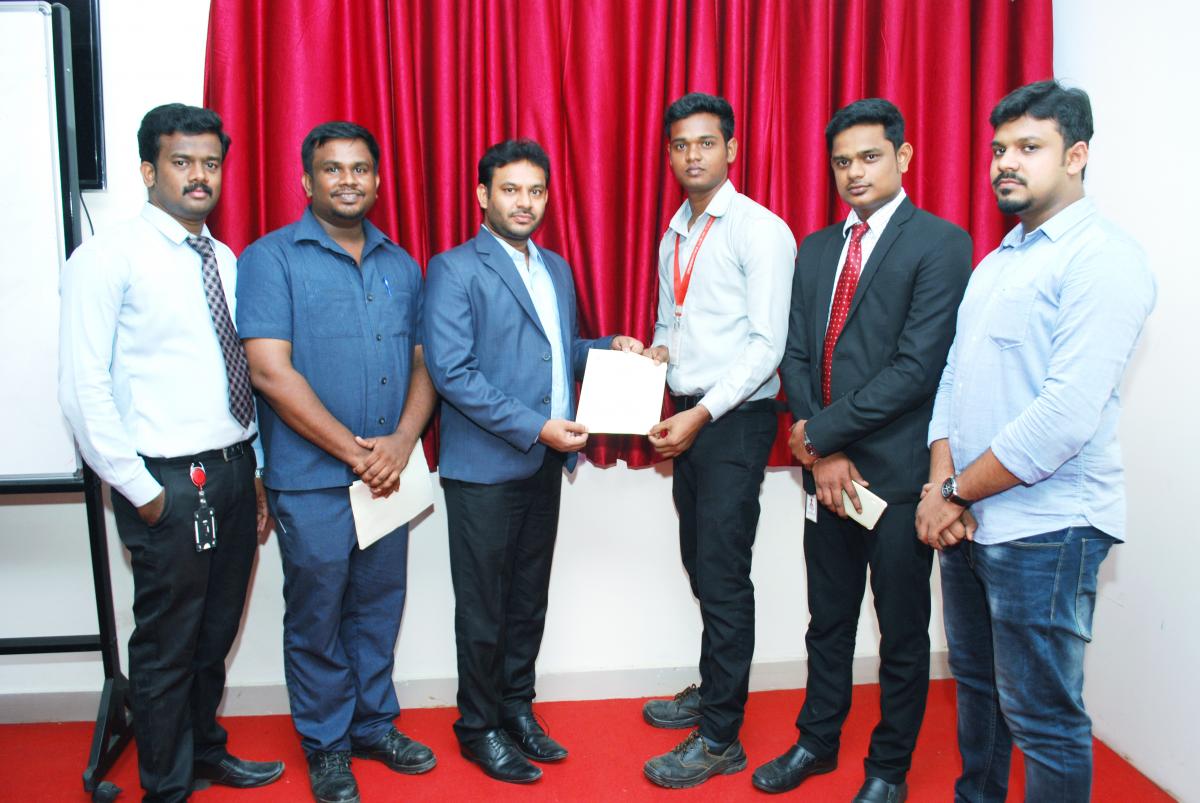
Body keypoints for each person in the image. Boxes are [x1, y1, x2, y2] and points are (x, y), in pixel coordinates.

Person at [915, 80, 1155, 802]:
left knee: (1044, 719)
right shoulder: (998, 262)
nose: (1006, 163)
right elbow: (954, 380)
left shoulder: (1104, 258)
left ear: (1076, 156)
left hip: (1049, 529)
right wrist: (941, 485)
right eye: (998, 150)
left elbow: (1064, 416)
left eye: (1028, 147)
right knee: (978, 693)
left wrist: (952, 492)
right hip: (971, 521)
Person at [58, 103, 284, 802]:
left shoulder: (224, 258)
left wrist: (255, 471)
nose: (198, 176)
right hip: (164, 480)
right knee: (167, 643)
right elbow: (82, 387)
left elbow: (237, 373)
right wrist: (142, 490)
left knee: (215, 634)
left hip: (232, 469)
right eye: (182, 162)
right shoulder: (108, 257)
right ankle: (167, 784)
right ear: (147, 169)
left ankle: (205, 752)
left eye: (210, 163)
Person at [755, 99, 973, 803]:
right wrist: (820, 453)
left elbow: (916, 368)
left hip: (900, 477)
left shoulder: (941, 243)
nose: (854, 172)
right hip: (827, 476)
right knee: (828, 621)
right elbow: (796, 354)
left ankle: (888, 769)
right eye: (843, 161)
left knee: (902, 633)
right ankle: (816, 741)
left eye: (870, 157)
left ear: (903, 157)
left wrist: (823, 434)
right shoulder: (819, 247)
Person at [422, 139, 643, 784]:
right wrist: (537, 427)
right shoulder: (453, 269)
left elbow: (557, 351)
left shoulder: (556, 269)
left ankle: (516, 709)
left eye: (536, 191)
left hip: (544, 465)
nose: (525, 202)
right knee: (483, 609)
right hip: (484, 471)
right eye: (511, 189)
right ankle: (477, 727)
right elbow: (453, 373)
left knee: (527, 600)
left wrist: (608, 348)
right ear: (482, 195)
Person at [236, 121, 437, 803]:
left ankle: (372, 725)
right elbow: (270, 371)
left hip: (388, 476)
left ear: (377, 181)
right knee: (317, 616)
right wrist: (357, 454)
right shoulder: (271, 259)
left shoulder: (401, 264)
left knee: (378, 607)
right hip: (311, 480)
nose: (347, 181)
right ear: (307, 180)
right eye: (332, 168)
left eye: (360, 169)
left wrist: (402, 441)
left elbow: (422, 362)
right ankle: (326, 744)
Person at [640, 92, 797, 789]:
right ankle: (713, 691)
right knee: (701, 564)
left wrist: (701, 413)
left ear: (731, 149)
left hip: (732, 421)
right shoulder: (673, 233)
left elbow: (767, 346)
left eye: (706, 142)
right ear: (670, 154)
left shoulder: (760, 231)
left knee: (724, 574)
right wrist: (657, 353)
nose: (692, 155)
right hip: (689, 418)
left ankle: (720, 737)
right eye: (680, 145)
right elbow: (670, 322)